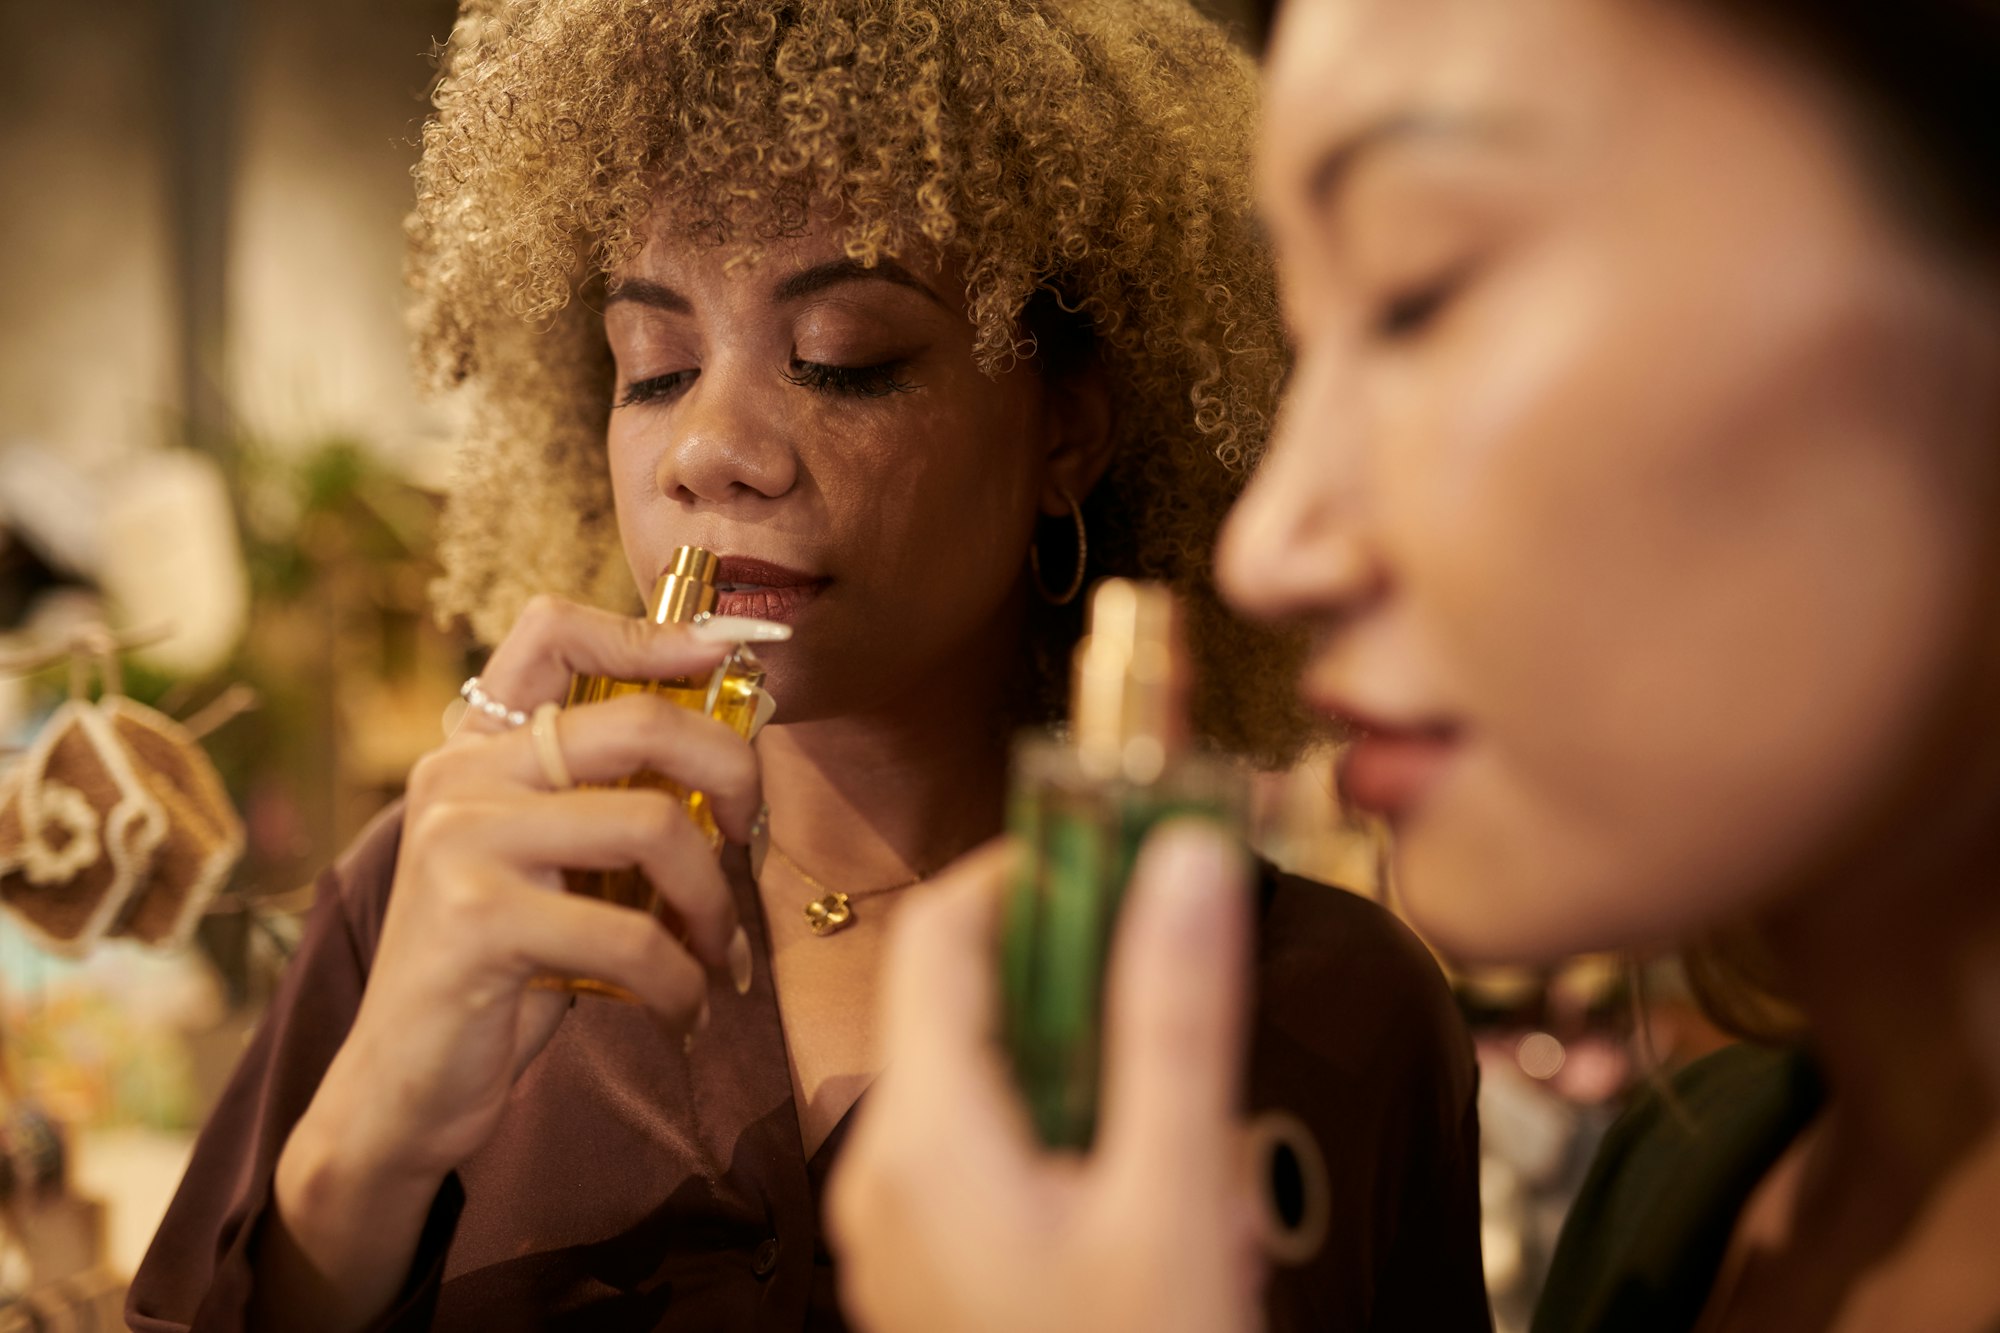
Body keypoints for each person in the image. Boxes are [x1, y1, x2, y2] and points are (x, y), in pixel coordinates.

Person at [127, 1, 1489, 1330]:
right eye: (652, 368)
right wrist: (360, 1146)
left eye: (843, 360)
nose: (706, 448)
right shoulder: (447, 895)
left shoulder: (1330, 1011)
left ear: (1067, 423)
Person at [826, 0, 2000, 1330]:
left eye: (1418, 290)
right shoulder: (1687, 1190)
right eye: (1306, 344)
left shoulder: (1360, 1016)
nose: (1270, 546)